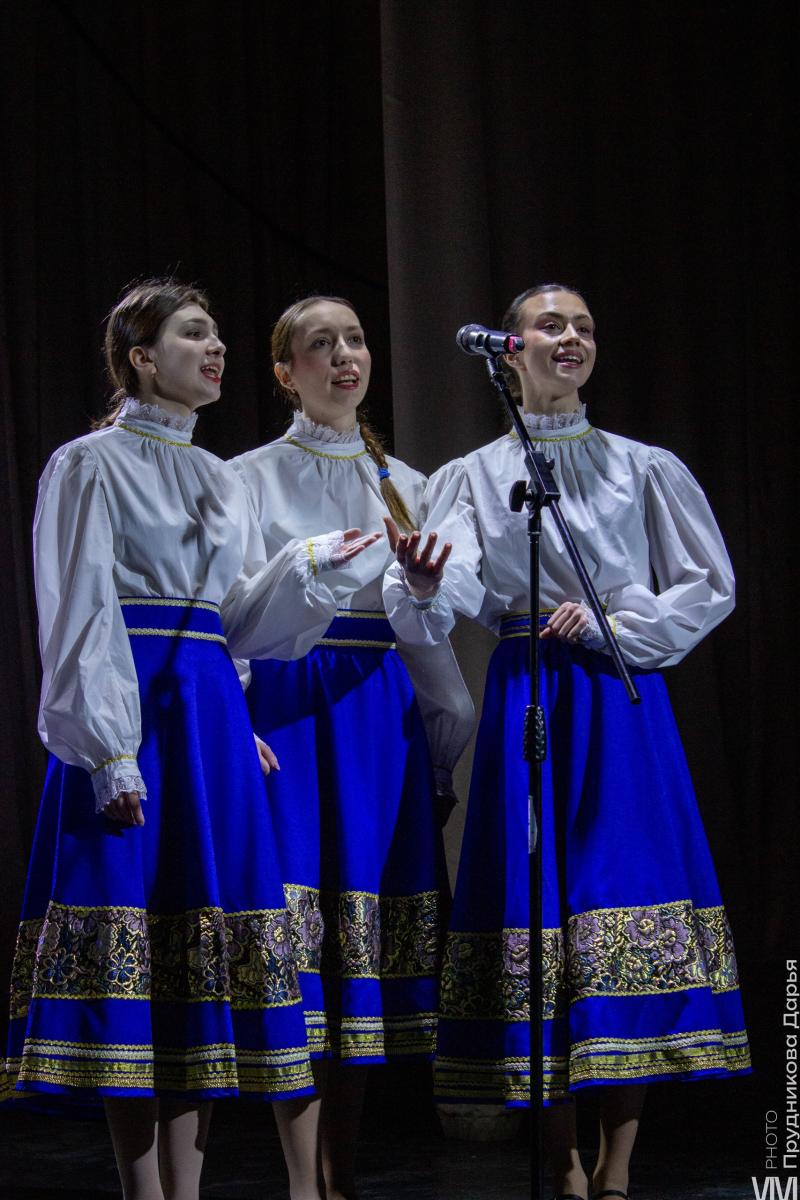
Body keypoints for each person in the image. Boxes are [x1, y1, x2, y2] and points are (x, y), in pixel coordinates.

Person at [2, 279, 381, 1200]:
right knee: (135, 950)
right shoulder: (89, 463)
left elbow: (235, 620)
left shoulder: (217, 476)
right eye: (193, 334)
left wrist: (307, 566)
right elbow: (79, 609)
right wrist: (110, 751)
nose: (215, 350)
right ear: (141, 357)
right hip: (134, 709)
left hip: (208, 713)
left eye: (217, 336)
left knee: (195, 959)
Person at [384, 284, 750, 1200]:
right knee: (537, 912)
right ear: (510, 349)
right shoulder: (473, 474)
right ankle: (562, 1162)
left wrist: (617, 624)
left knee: (618, 905)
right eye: (551, 325)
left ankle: (618, 1166)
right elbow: (460, 583)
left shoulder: (642, 466)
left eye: (584, 325)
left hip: (618, 695)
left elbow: (709, 583)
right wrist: (426, 584)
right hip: (531, 691)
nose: (572, 337)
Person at [230, 295, 473, 1200]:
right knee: (298, 940)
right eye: (320, 344)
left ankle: (341, 1173)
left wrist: (423, 592)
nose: (345, 356)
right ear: (284, 371)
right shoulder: (246, 478)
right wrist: (234, 721)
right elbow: (227, 614)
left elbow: (432, 629)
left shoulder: (406, 482)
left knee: (358, 948)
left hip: (376, 714)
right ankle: (301, 1177)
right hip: (290, 705)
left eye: (357, 340)